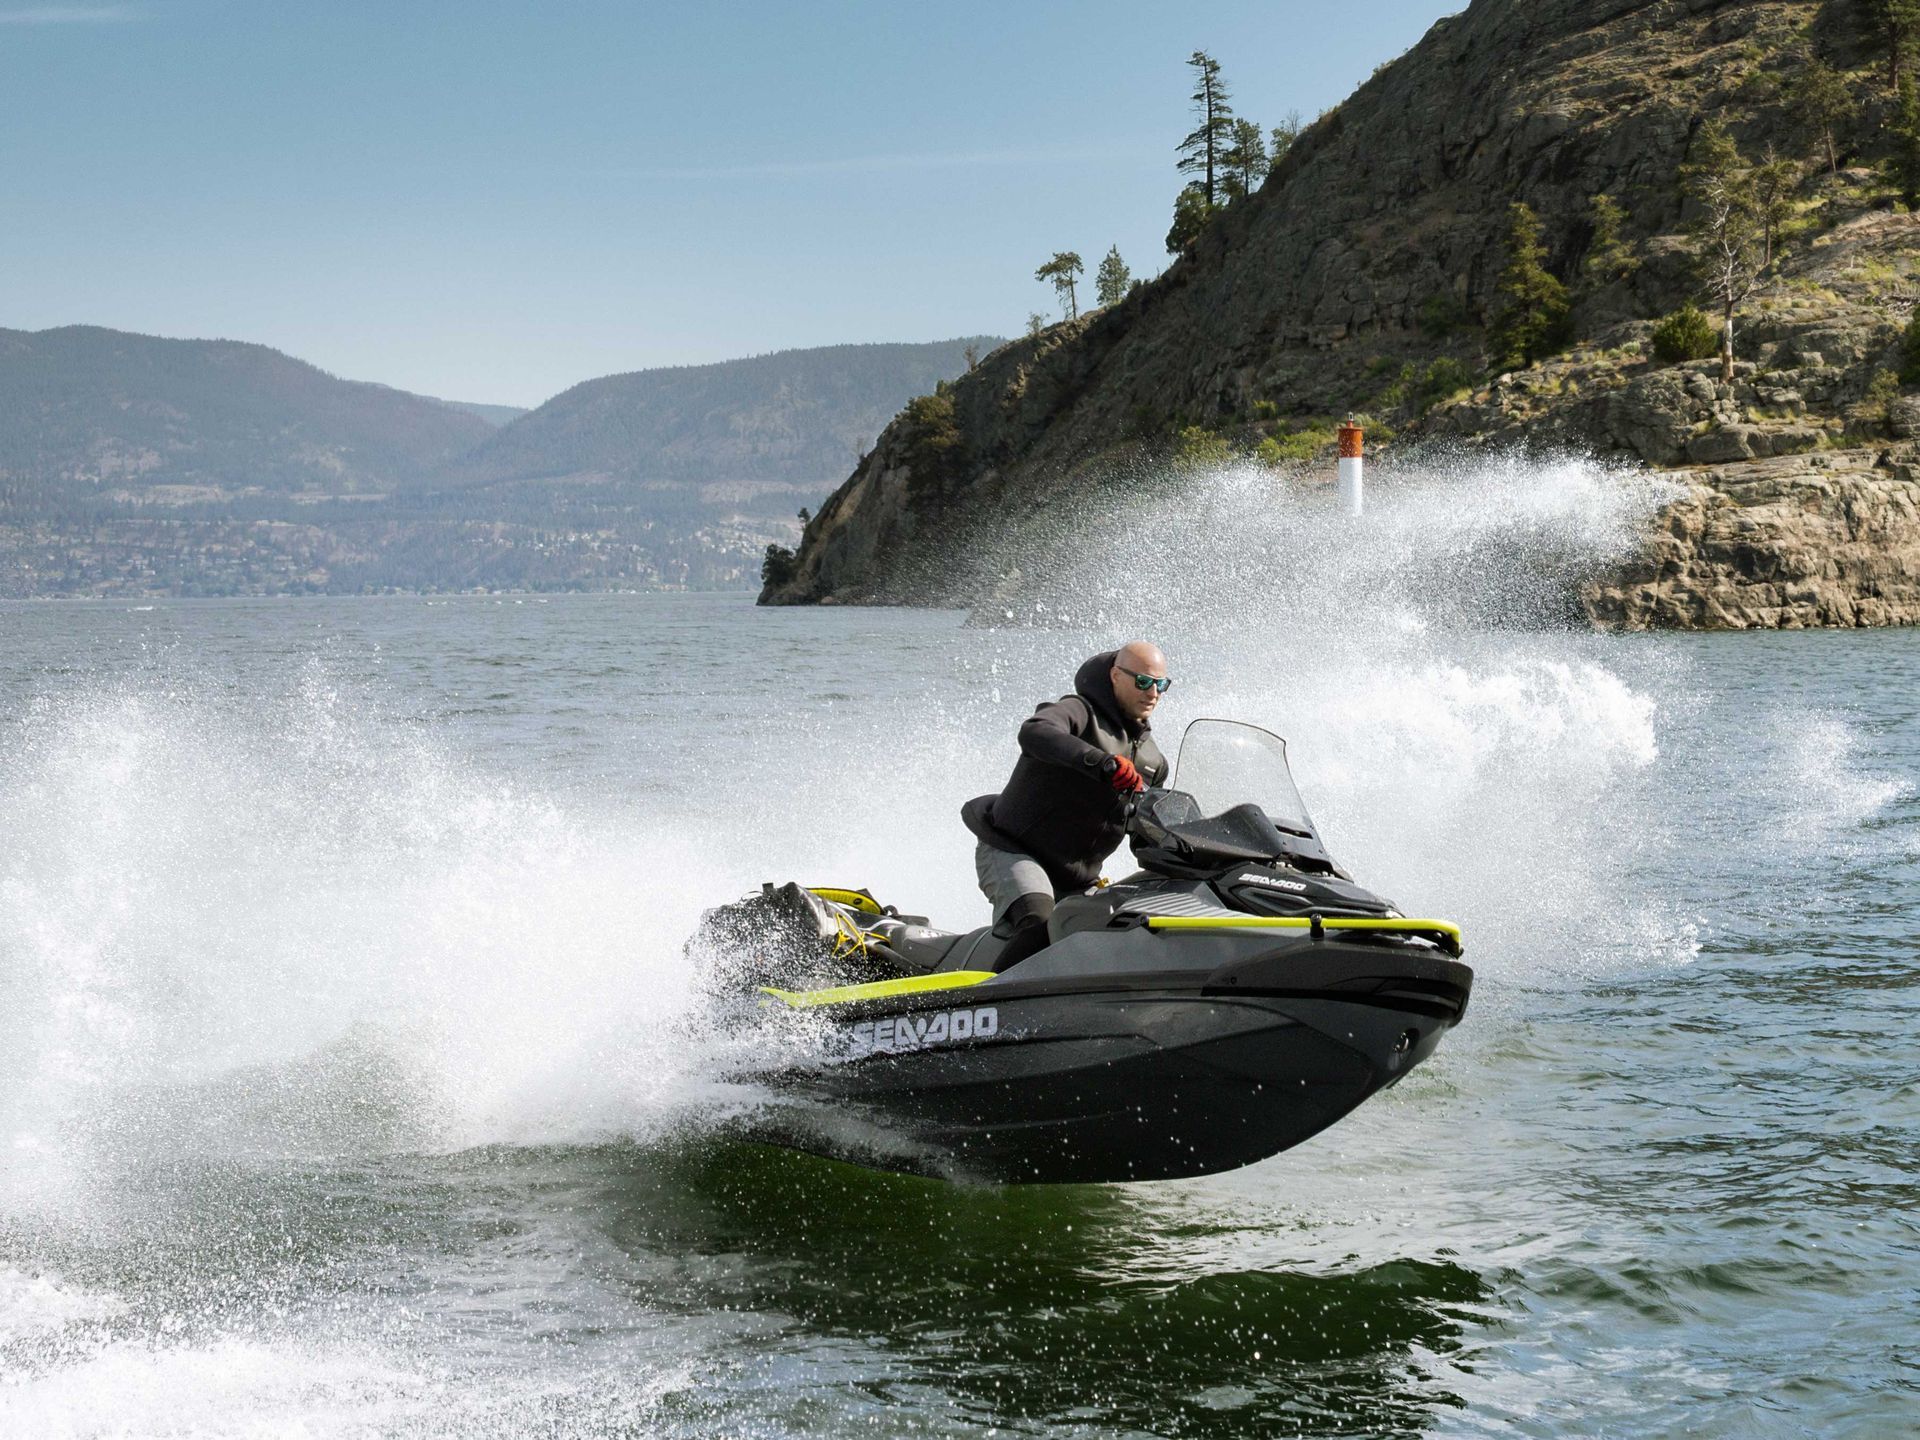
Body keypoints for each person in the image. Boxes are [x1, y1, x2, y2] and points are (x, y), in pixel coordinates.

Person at [961, 641, 1173, 969]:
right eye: (1144, 682)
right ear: (1116, 675)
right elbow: (1035, 732)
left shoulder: (1153, 763)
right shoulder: (1078, 711)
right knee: (1038, 920)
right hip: (1013, 852)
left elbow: (1145, 832)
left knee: (1121, 932)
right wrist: (1102, 763)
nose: (1153, 693)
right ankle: (983, 1007)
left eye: (1161, 684)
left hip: (1078, 882)